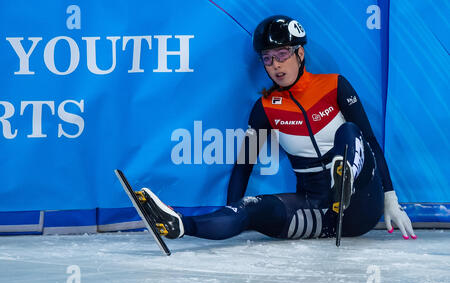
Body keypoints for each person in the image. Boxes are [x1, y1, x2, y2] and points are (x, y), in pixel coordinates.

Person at [140, 15, 416, 242]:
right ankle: (180, 225)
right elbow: (243, 166)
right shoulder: (265, 107)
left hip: (362, 202)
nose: (276, 65)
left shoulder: (334, 86)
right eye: (268, 58)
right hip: (320, 212)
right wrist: (232, 211)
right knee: (250, 208)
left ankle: (343, 178)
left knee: (350, 133)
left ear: (300, 53)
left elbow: (369, 140)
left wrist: (390, 198)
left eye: (283, 54)